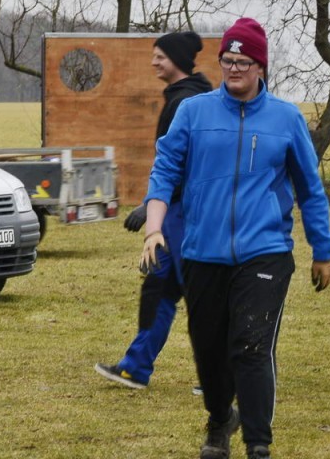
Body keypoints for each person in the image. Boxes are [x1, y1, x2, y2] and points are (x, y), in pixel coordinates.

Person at [139, 17, 330, 459]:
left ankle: (258, 444)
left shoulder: (286, 119)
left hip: (264, 253)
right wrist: (154, 228)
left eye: (243, 62)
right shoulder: (194, 112)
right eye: (227, 60)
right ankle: (218, 418)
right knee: (209, 349)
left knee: (250, 344)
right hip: (202, 253)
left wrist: (323, 252)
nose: (233, 69)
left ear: (260, 66)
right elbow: (164, 171)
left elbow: (310, 189)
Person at [95, 31, 212, 390]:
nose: (154, 62)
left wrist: (150, 206)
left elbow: (184, 164)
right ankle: (136, 367)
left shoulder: (187, 101)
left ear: (176, 59)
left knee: (198, 293)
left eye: (160, 56)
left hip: (184, 214)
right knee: (161, 288)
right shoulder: (183, 96)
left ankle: (220, 376)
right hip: (175, 211)